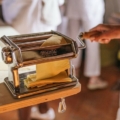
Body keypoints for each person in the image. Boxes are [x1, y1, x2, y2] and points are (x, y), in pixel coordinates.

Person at [2, 0, 64, 120]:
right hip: (46, 30)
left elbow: (10, 11)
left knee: (23, 83)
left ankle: (34, 113)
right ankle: (43, 111)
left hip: (25, 30)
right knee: (41, 76)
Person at [63, 0, 108, 90]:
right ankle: (93, 78)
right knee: (94, 40)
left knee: (73, 39)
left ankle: (73, 72)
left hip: (74, 4)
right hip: (90, 5)